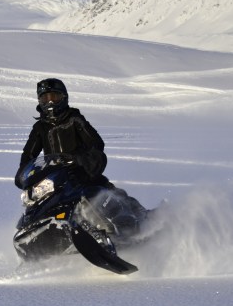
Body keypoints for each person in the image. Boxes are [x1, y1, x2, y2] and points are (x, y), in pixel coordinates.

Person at [15, 78, 147, 234]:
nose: (50, 103)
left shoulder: (74, 119)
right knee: (39, 203)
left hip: (81, 171)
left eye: (54, 97)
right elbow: (29, 154)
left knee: (107, 192)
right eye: (45, 98)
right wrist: (22, 175)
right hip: (56, 177)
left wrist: (79, 158)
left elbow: (96, 142)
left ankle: (140, 221)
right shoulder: (39, 128)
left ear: (63, 97)